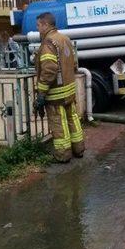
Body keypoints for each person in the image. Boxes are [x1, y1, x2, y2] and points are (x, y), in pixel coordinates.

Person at [32, 12, 84, 163]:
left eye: (38, 25)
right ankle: (78, 149)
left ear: (46, 25)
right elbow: (73, 64)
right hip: (69, 90)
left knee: (59, 123)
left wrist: (41, 93)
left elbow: (49, 69)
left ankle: (63, 155)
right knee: (72, 120)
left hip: (55, 93)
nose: (38, 29)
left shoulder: (48, 43)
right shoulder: (65, 39)